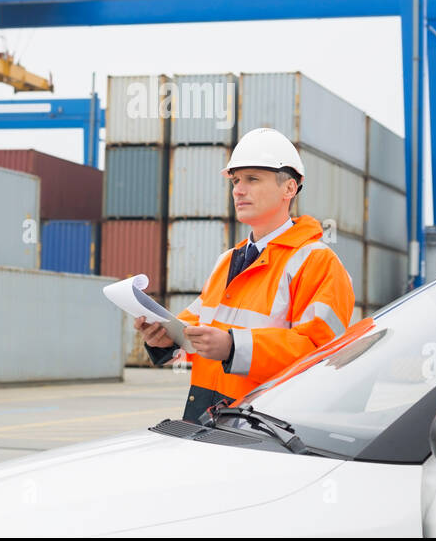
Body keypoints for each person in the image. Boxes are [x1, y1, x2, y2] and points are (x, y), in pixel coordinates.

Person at [134, 127, 356, 423]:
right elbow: (195, 328)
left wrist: (233, 347)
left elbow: (320, 355)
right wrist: (164, 339)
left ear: (289, 188)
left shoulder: (318, 262)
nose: (238, 189)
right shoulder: (227, 261)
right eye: (236, 180)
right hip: (204, 416)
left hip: (270, 427)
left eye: (252, 179)